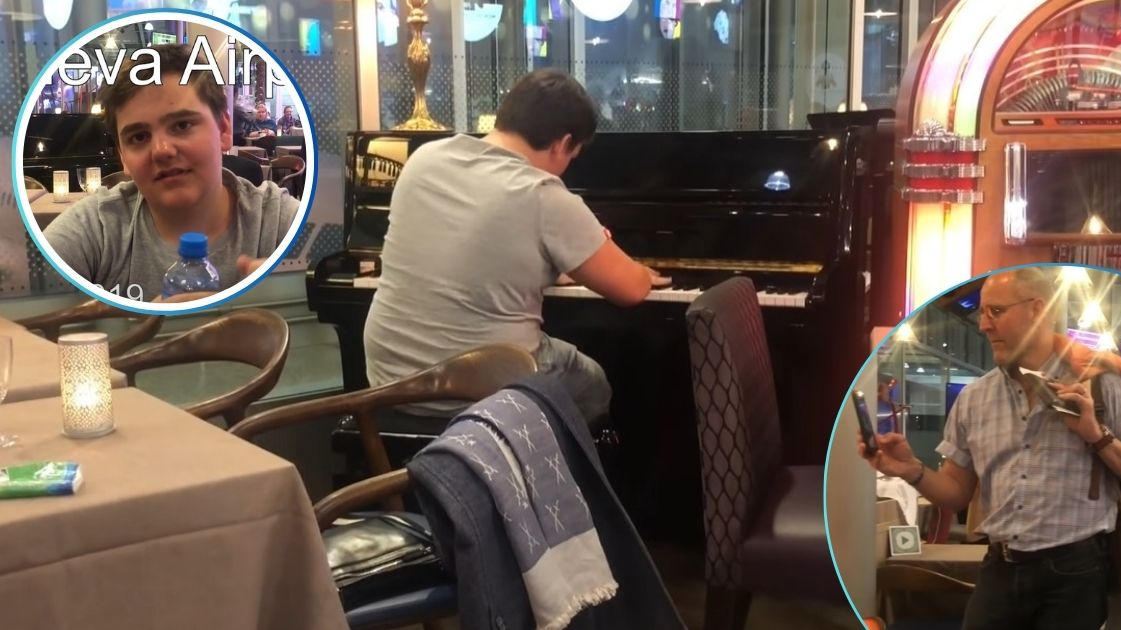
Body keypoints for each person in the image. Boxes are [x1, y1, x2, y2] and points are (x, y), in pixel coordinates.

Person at [859, 268, 1121, 630]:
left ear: (1037, 309)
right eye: (982, 313)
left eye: (996, 311)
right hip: (999, 568)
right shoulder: (974, 398)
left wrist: (1095, 434)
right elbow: (956, 493)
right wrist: (912, 470)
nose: (983, 325)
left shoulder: (1102, 386)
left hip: (1075, 572)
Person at [363, 69, 664, 422]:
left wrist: (551, 269)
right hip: (480, 391)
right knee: (593, 383)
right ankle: (542, 456)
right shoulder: (543, 193)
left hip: (389, 382)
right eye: (573, 156)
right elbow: (631, 289)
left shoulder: (424, 160)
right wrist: (639, 271)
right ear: (563, 143)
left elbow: (479, 252)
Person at [44, 43, 298, 301]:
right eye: (139, 137)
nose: (162, 150)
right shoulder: (94, 231)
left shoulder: (280, 223)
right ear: (123, 157)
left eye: (182, 125)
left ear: (223, 130)